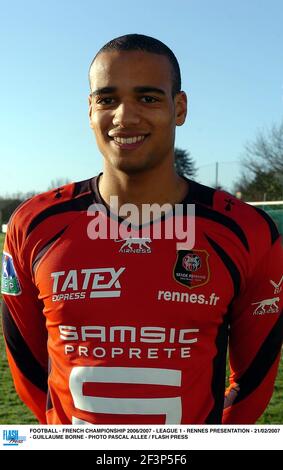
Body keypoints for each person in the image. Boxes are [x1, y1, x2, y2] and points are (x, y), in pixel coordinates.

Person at [1, 34, 282, 425]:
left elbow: (255, 381)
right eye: (107, 99)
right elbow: (28, 370)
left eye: (148, 98)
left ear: (178, 108)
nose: (124, 117)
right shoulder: (33, 225)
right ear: (89, 109)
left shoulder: (246, 232)